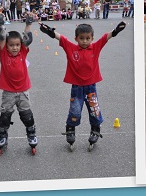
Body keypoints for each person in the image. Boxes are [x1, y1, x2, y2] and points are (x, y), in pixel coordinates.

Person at [39, 19, 127, 150]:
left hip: (91, 86)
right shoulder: (71, 48)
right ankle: (70, 130)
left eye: (87, 38)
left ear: (92, 38)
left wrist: (116, 30)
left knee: (94, 109)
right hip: (77, 87)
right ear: (76, 38)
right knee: (75, 110)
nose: (84, 41)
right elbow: (61, 38)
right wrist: (49, 31)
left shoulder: (95, 47)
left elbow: (105, 38)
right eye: (81, 38)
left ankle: (95, 129)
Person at [0, 13, 38, 154]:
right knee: (5, 116)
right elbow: (1, 37)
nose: (14, 48)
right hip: (8, 92)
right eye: (11, 45)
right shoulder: (3, 53)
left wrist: (28, 24)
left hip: (23, 91)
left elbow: (27, 39)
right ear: (6, 46)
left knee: (27, 116)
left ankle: (31, 134)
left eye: (17, 45)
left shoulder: (23, 53)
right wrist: (0, 24)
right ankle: (2, 135)